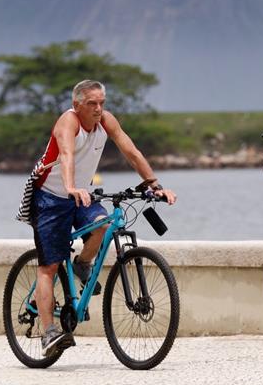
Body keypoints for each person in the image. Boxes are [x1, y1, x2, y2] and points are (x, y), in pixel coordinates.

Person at [30, 79, 177, 359]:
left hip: (81, 195)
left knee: (104, 225)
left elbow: (131, 152)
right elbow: (66, 155)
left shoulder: (106, 121)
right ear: (77, 105)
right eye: (91, 104)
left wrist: (154, 185)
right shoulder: (68, 122)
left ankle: (82, 263)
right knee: (48, 266)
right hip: (50, 197)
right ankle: (48, 332)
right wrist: (71, 186)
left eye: (102, 103)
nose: (98, 109)